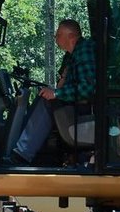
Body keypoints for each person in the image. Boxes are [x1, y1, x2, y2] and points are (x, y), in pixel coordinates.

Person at [7, 18, 96, 164]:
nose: (55, 37)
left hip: (86, 108)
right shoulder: (70, 55)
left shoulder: (85, 50)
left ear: (72, 36)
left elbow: (88, 89)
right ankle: (18, 147)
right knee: (42, 98)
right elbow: (62, 84)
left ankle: (21, 157)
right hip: (76, 103)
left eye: (59, 34)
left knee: (48, 103)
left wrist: (55, 94)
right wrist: (53, 90)